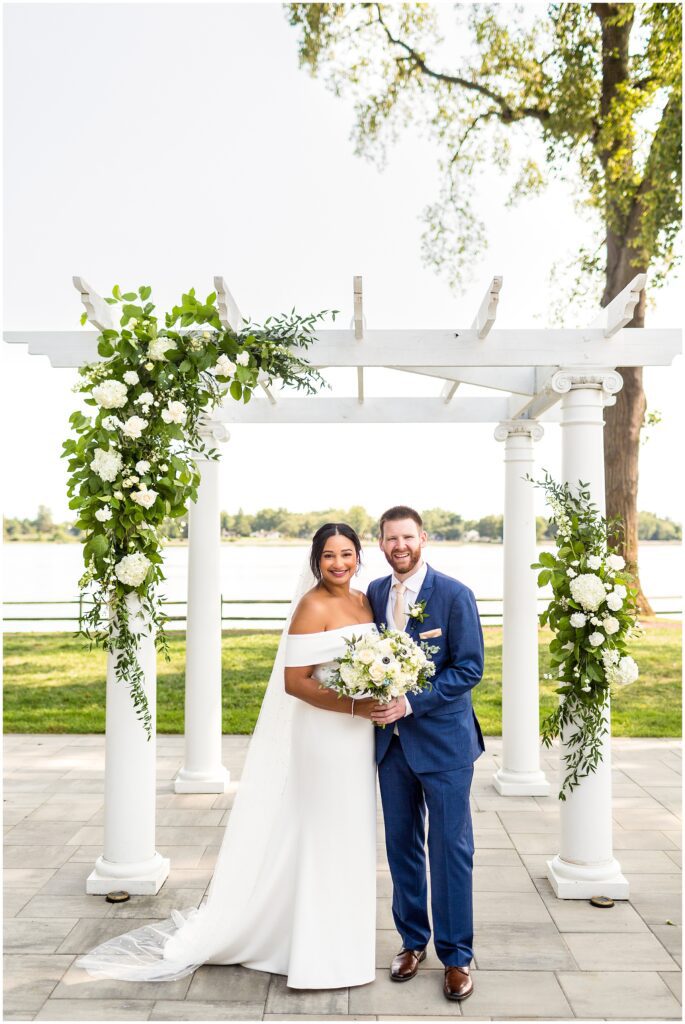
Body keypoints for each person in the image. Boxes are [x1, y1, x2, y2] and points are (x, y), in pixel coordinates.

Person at [75, 522, 387, 989]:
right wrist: (356, 706)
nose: (338, 563)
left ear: (359, 557)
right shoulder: (311, 606)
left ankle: (344, 939)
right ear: (315, 561)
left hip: (357, 737)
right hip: (324, 733)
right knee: (321, 827)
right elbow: (295, 682)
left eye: (346, 554)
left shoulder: (365, 601)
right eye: (328, 556)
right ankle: (310, 946)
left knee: (351, 828)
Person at [366, 505, 485, 1003]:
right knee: (401, 846)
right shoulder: (373, 593)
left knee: (450, 850)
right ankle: (412, 941)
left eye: (407, 537)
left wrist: (411, 702)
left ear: (424, 539)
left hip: (445, 745)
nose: (400, 546)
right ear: (381, 543)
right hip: (391, 750)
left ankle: (456, 956)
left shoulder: (455, 595)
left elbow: (469, 668)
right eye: (391, 538)